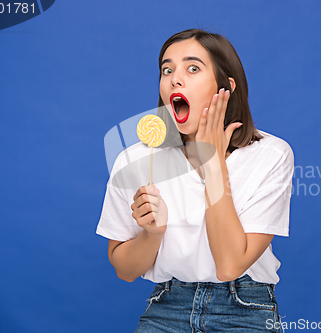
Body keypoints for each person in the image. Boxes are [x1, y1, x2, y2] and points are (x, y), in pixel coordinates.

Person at [96, 29, 294, 332]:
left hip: (245, 309)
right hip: (167, 305)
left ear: (225, 88)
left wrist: (214, 165)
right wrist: (152, 234)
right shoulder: (136, 159)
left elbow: (229, 265)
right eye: (167, 69)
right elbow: (124, 270)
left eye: (193, 68)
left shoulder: (271, 154)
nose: (175, 78)